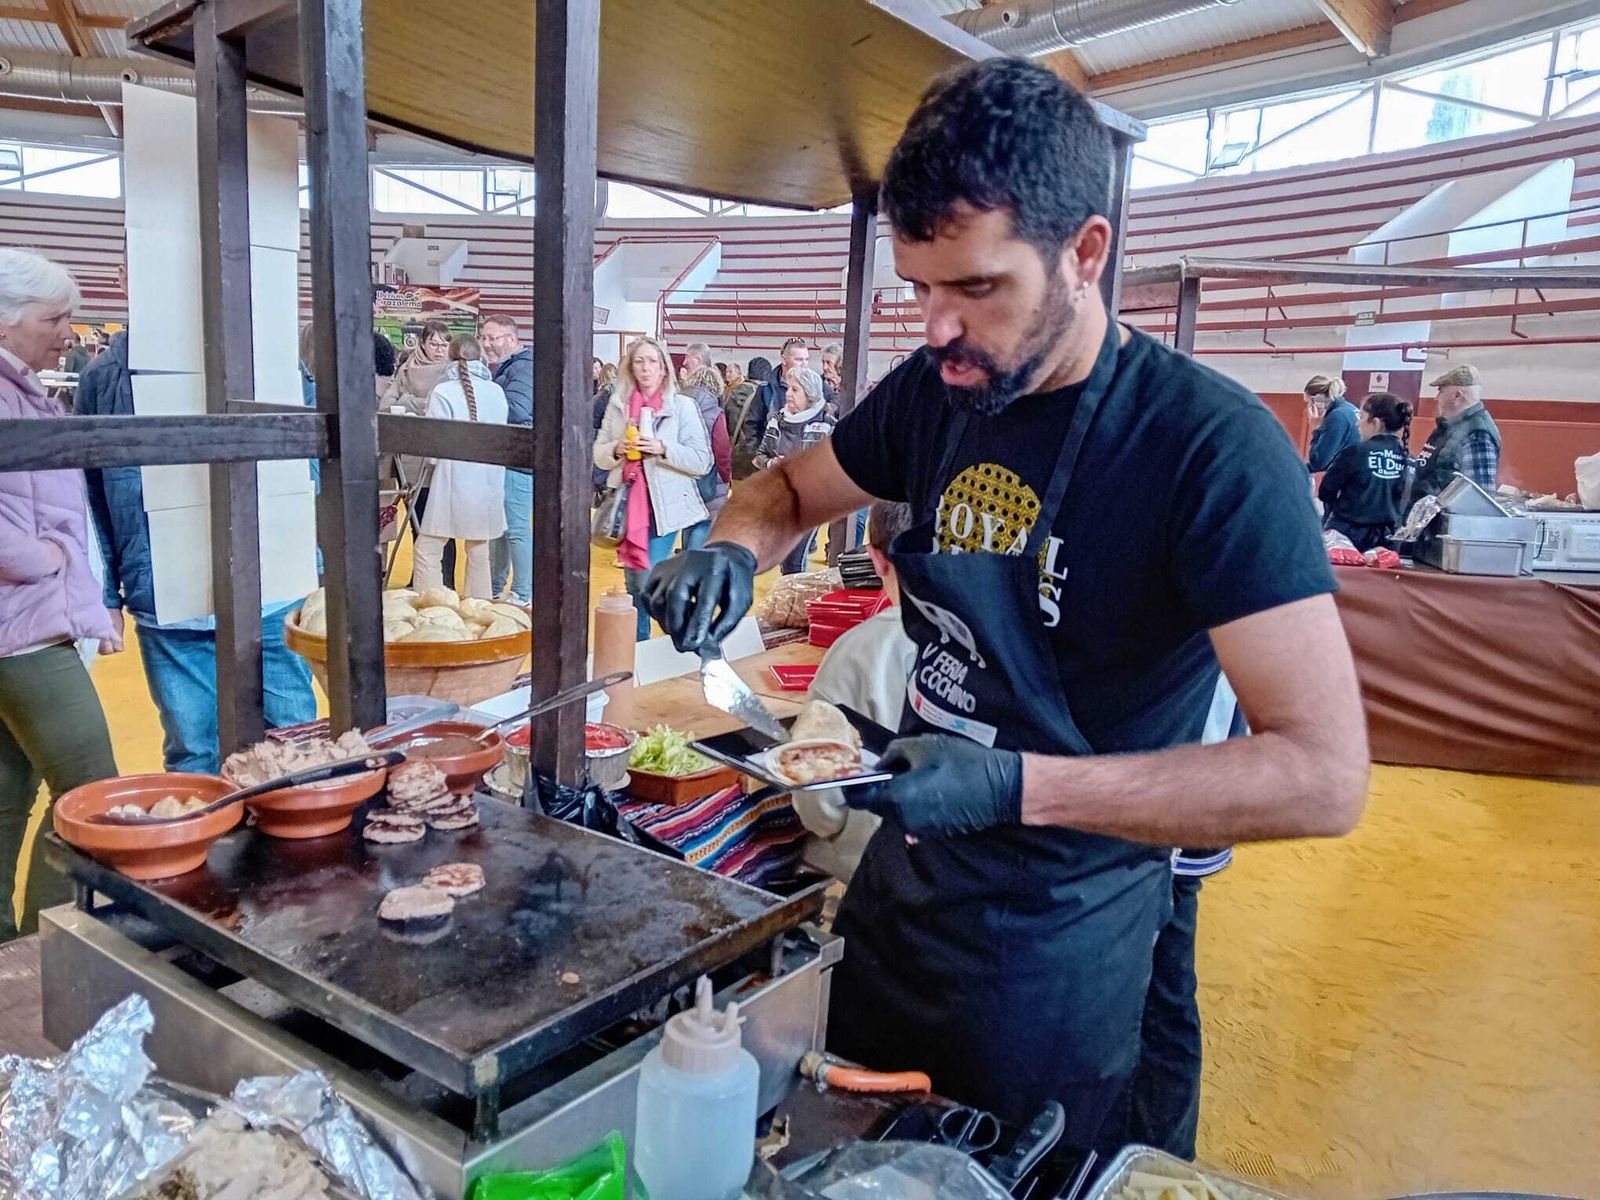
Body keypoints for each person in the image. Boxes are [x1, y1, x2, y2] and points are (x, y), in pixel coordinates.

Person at [641, 57, 1367, 1155]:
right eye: (918, 289)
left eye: (976, 289)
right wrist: (733, 551)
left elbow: (1321, 774)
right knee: (856, 1151)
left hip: (1064, 930)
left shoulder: (1208, 452)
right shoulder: (936, 395)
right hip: (906, 889)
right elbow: (784, 489)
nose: (935, 328)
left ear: (1084, 253)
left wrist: (1021, 787)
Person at [79, 279, 317, 780]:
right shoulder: (105, 377)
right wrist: (104, 597)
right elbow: (93, 496)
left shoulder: (273, 366)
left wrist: (312, 571)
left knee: (293, 743)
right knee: (194, 751)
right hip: (165, 599)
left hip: (272, 594)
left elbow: (308, 473)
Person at [0, 249, 119, 941]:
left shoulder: (23, 390)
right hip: (23, 624)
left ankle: (10, 951)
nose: (68, 333)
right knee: (90, 794)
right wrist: (40, 559)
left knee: (9, 795)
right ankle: (50, 940)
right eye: (56, 318)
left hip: (28, 616)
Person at [794, 500, 916, 883]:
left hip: (872, 872)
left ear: (875, 559)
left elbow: (818, 794)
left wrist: (838, 831)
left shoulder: (860, 649)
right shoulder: (1020, 638)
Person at [593, 335, 712, 640]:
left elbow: (702, 461)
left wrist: (662, 448)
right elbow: (599, 453)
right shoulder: (618, 406)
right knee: (635, 582)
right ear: (630, 368)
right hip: (626, 503)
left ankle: (682, 634)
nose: (646, 368)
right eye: (639, 361)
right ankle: (640, 647)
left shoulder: (683, 407)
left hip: (664, 507)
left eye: (652, 361)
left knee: (647, 579)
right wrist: (618, 449)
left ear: (664, 368)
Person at [412, 336, 509, 599]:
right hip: (489, 481)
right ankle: (480, 608)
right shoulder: (496, 391)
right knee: (479, 549)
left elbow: (434, 445)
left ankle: (433, 608)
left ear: (450, 358)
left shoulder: (443, 392)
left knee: (428, 548)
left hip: (451, 480)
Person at [388, 320, 458, 586]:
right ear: (423, 343)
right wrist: (415, 405)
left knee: (440, 525)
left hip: (437, 458)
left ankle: (445, 580)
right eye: (434, 343)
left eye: (444, 343)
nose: (440, 349)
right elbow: (387, 405)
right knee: (416, 521)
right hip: (408, 460)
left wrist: (407, 403)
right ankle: (420, 578)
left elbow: (440, 406)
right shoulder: (406, 368)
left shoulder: (452, 373)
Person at [755, 366, 835, 574]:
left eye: (795, 390)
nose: (788, 394)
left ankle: (796, 604)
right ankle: (790, 602)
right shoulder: (776, 421)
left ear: (810, 394)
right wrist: (772, 464)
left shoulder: (826, 425)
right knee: (785, 561)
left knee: (794, 560)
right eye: (788, 388)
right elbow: (760, 456)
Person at [480, 314, 533, 607]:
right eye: (484, 338)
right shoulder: (509, 368)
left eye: (493, 338)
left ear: (512, 340)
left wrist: (486, 398)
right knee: (500, 529)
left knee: (516, 529)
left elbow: (518, 410)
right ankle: (497, 586)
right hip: (506, 459)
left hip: (517, 459)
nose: (487, 344)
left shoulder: (522, 369)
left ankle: (523, 593)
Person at [1318, 392, 1412, 551]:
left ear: (1375, 422)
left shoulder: (1355, 452)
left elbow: (1326, 491)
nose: (1357, 424)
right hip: (1388, 542)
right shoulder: (1408, 459)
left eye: (1361, 417)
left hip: (1347, 538)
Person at [1412, 363, 1500, 498]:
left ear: (1457, 395)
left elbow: (1478, 496)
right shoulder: (1448, 428)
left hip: (1444, 517)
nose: (1436, 398)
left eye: (1440, 391)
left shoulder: (1477, 434)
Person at [679, 362, 733, 551]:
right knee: (705, 521)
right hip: (709, 480)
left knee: (688, 521)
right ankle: (694, 560)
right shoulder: (715, 414)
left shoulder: (678, 405)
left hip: (683, 476)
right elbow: (722, 450)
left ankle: (685, 557)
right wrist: (726, 478)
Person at [727, 356, 772, 480]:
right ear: (766, 374)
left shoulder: (731, 393)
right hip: (755, 459)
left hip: (734, 457)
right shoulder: (764, 397)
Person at [1305, 373, 1359, 473]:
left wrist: (1316, 429)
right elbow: (1333, 457)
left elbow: (1318, 462)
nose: (1309, 407)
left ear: (1317, 400)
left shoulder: (1337, 417)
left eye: (1309, 402)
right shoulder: (1349, 409)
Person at [819, 341, 844, 408]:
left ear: (839, 364)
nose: (824, 367)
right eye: (823, 362)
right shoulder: (817, 383)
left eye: (829, 363)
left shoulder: (850, 385)